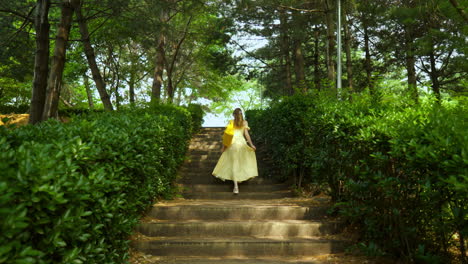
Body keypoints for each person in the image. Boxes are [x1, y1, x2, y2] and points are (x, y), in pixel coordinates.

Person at [212, 108, 258, 194]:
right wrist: (251, 145)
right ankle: (239, 178)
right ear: (241, 114)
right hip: (241, 144)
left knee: (233, 164)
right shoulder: (245, 122)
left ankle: (236, 186)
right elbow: (246, 135)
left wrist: (224, 147)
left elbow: (227, 136)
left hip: (232, 145)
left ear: (234, 115)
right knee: (241, 162)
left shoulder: (231, 122)